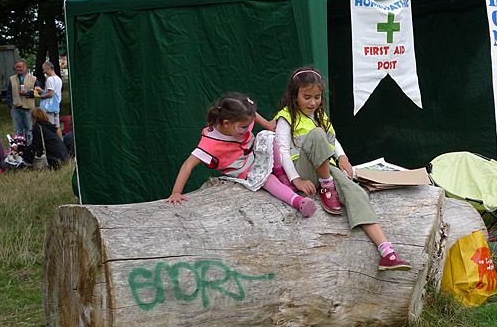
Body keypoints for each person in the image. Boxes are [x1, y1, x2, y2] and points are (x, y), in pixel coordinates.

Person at [273, 67, 411, 271]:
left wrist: (343, 157)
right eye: (307, 97)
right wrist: (297, 180)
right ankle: (327, 186)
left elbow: (333, 139)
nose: (313, 102)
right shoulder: (286, 117)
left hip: (326, 168)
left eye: (317, 97)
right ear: (294, 96)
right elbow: (283, 152)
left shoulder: (319, 115)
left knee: (357, 192)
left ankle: (387, 252)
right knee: (317, 135)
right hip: (303, 170)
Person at [164, 92, 317, 218]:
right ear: (225, 123)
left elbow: (251, 113)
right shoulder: (210, 142)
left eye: (247, 125)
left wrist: (267, 125)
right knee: (267, 180)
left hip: (254, 153)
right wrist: (176, 192)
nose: (246, 129)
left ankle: (282, 176)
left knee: (268, 136)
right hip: (245, 170)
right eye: (243, 127)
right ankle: (298, 202)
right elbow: (187, 165)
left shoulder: (241, 117)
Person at [6, 59, 37, 143]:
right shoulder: (12, 79)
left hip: (28, 108)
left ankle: (29, 147)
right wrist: (10, 104)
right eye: (17, 67)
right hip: (16, 108)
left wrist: (28, 92)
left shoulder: (33, 79)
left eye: (20, 67)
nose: (18, 69)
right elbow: (9, 92)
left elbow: (37, 92)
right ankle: (19, 148)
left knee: (29, 130)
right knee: (18, 130)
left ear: (25, 67)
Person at [34, 60, 63, 138]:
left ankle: (52, 143)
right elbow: (53, 92)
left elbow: (50, 94)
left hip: (49, 107)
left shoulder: (50, 79)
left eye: (44, 69)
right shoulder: (58, 79)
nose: (44, 72)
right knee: (57, 126)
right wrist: (42, 91)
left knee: (49, 127)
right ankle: (60, 143)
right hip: (56, 106)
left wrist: (40, 96)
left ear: (48, 68)